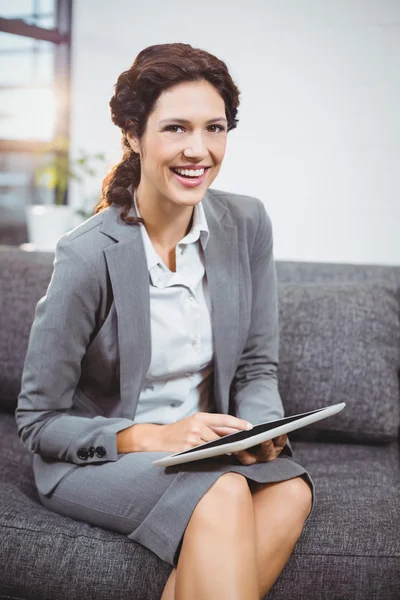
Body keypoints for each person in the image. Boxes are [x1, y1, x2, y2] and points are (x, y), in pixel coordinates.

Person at [15, 42, 315, 600]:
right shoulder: (89, 255)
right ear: (132, 133)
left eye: (215, 128)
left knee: (291, 490)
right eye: (176, 128)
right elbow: (38, 420)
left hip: (207, 453)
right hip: (107, 458)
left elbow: (254, 367)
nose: (198, 150)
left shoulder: (247, 224)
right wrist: (153, 436)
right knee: (222, 494)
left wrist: (259, 431)